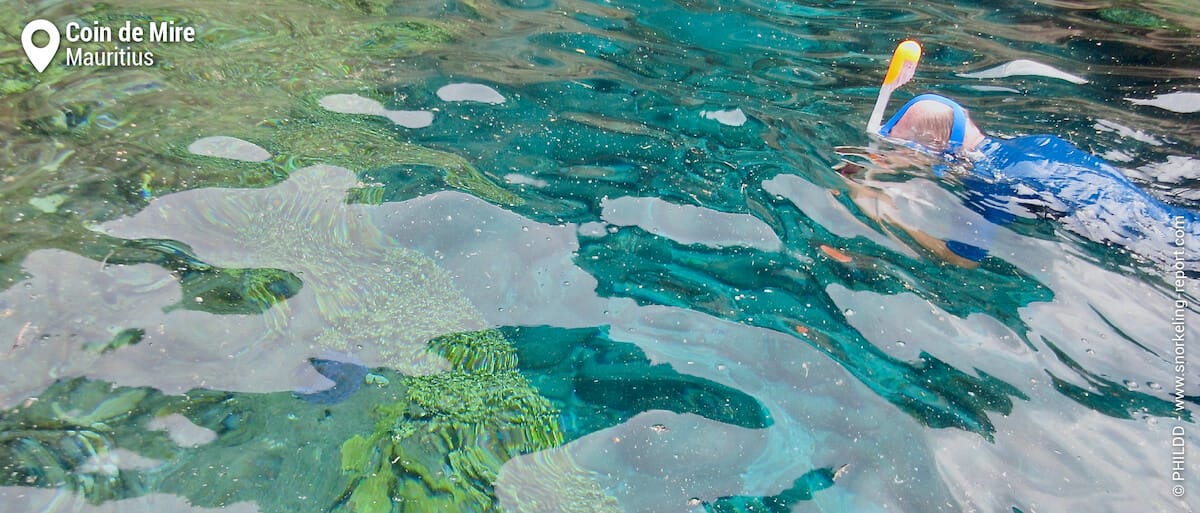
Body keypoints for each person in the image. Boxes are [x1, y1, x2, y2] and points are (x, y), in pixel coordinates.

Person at [861, 93, 1199, 271]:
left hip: (1164, 251)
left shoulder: (987, 182)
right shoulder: (1038, 141)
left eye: (908, 152)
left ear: (937, 148)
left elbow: (961, 259)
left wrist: (889, 214)